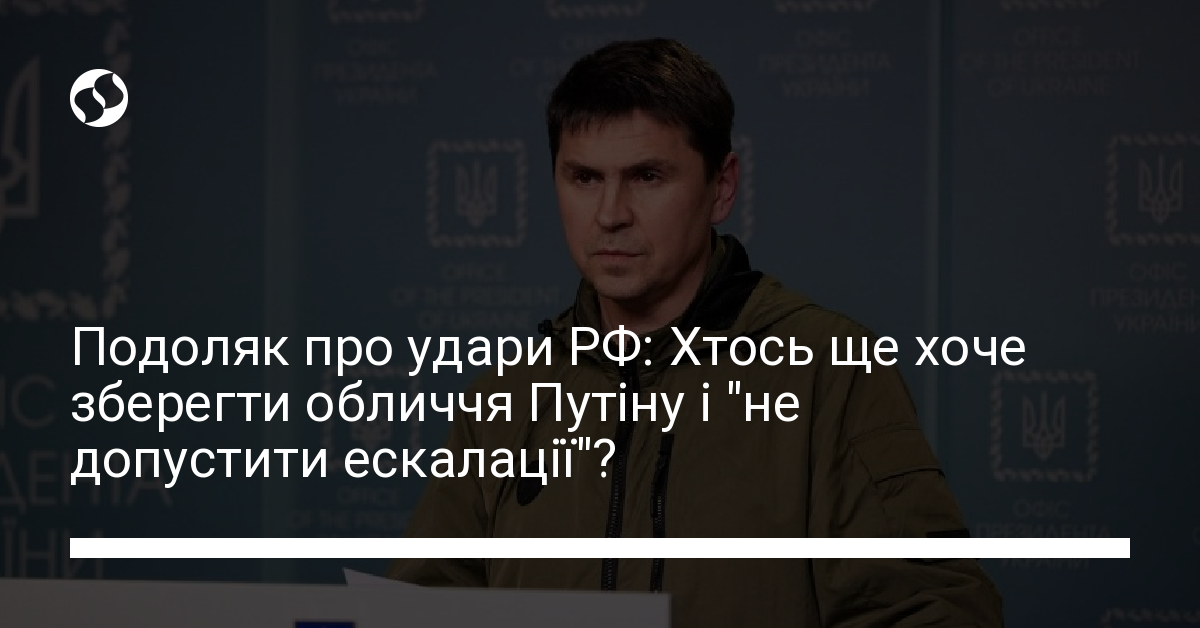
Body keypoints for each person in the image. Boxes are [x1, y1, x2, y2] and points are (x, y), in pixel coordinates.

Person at [388, 37, 1003, 627]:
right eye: (584, 178)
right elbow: (423, 607)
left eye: (647, 177)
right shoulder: (509, 394)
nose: (610, 214)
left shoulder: (830, 372)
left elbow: (933, 613)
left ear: (722, 188)